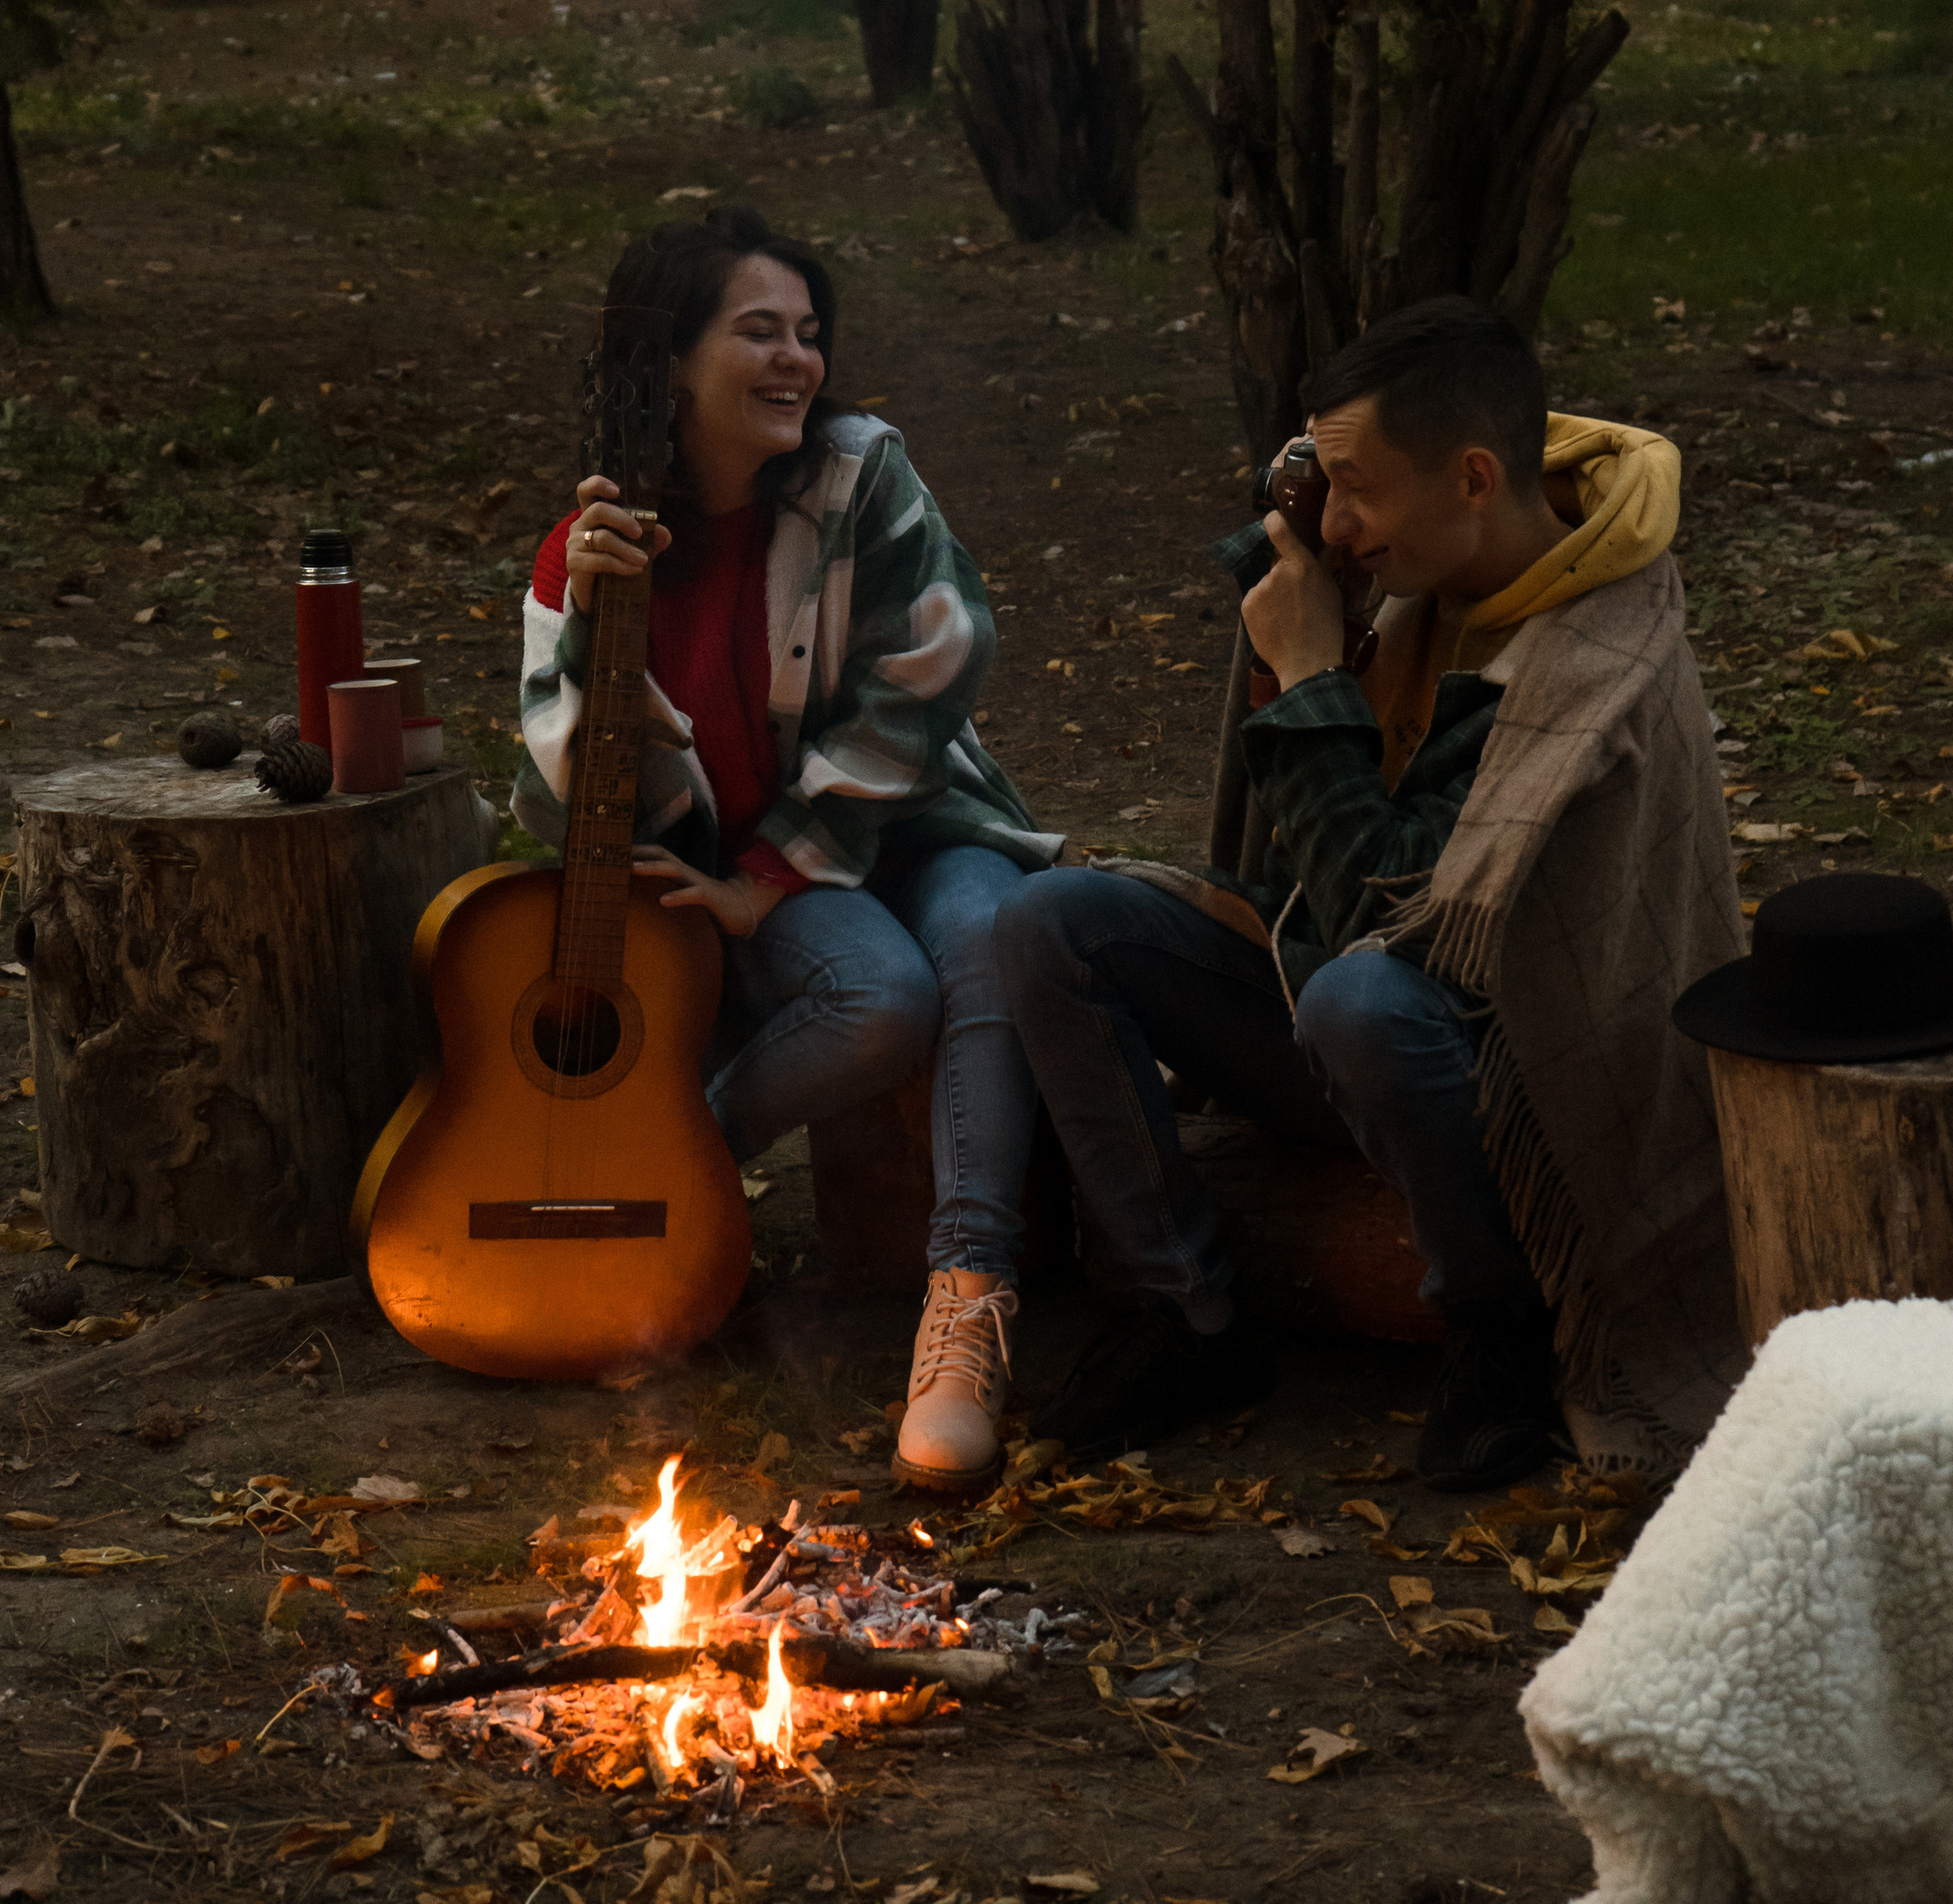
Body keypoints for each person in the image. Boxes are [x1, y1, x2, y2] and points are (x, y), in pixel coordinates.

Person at [999, 295, 1748, 1487]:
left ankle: (1497, 1340)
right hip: (1351, 1008)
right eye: (1322, 480)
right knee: (1051, 923)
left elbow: (1377, 912)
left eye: (1357, 490)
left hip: (1513, 1080)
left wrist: (1307, 673)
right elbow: (1287, 880)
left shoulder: (1585, 660)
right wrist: (1304, 577)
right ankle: (1184, 1315)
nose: (1337, 525)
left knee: (1365, 999)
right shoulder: (1418, 581)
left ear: (1472, 477)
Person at [513, 207, 1058, 1485]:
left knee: (995, 933)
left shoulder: (864, 474)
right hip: (758, 855)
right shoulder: (589, 549)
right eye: (758, 332)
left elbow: (934, 669)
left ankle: (966, 1308)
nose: (797, 362)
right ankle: (659, 1189)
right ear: (666, 360)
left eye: (808, 334)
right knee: (877, 998)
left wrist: (771, 877)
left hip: (910, 821)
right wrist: (597, 633)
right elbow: (567, 808)